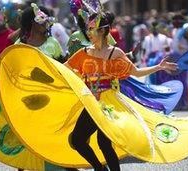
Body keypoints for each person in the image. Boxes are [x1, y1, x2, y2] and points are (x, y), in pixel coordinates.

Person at [65, 11, 177, 171]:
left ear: (102, 30)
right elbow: (63, 68)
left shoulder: (114, 53)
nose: (88, 33)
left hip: (108, 103)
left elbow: (136, 72)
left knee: (104, 143)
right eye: (88, 29)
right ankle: (99, 168)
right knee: (77, 140)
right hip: (91, 101)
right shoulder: (84, 52)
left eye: (91, 29)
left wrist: (160, 67)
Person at [17, 3, 78, 171]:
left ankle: (66, 164)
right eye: (42, 21)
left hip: (53, 97)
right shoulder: (20, 45)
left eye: (46, 21)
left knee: (55, 133)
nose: (46, 24)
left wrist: (76, 54)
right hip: (28, 98)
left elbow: (63, 66)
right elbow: (12, 68)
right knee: (29, 135)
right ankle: (23, 166)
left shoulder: (53, 43)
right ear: (32, 23)